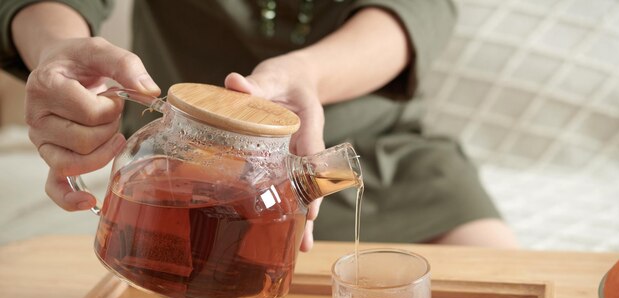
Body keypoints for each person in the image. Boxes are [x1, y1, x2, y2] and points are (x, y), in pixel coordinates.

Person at [0, 0, 517, 251]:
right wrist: (58, 51)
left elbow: (416, 13)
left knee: (495, 272)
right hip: (186, 162)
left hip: (381, 158)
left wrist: (308, 74)